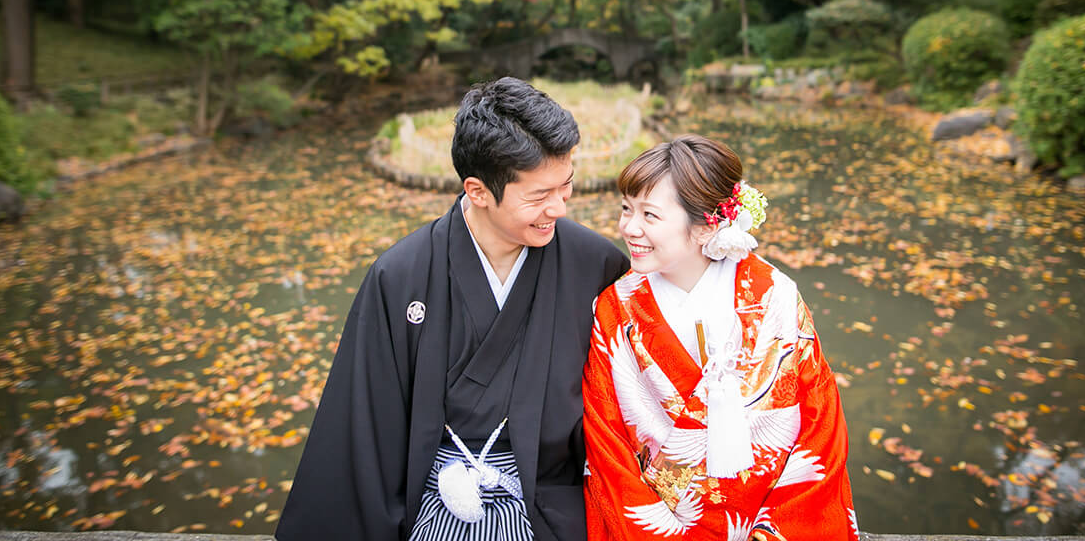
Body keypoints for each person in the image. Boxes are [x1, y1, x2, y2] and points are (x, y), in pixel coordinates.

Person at [276, 77, 629, 541]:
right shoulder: (400, 276)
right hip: (435, 500)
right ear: (478, 191)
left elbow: (625, 410)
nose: (559, 209)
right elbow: (362, 424)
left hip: (553, 505)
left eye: (565, 187)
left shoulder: (595, 266)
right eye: (538, 197)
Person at [584, 134, 857, 541]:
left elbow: (819, 424)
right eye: (627, 209)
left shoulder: (773, 296)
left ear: (706, 225)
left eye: (649, 215)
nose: (629, 227)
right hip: (655, 520)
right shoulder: (614, 309)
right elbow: (605, 441)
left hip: (767, 518)